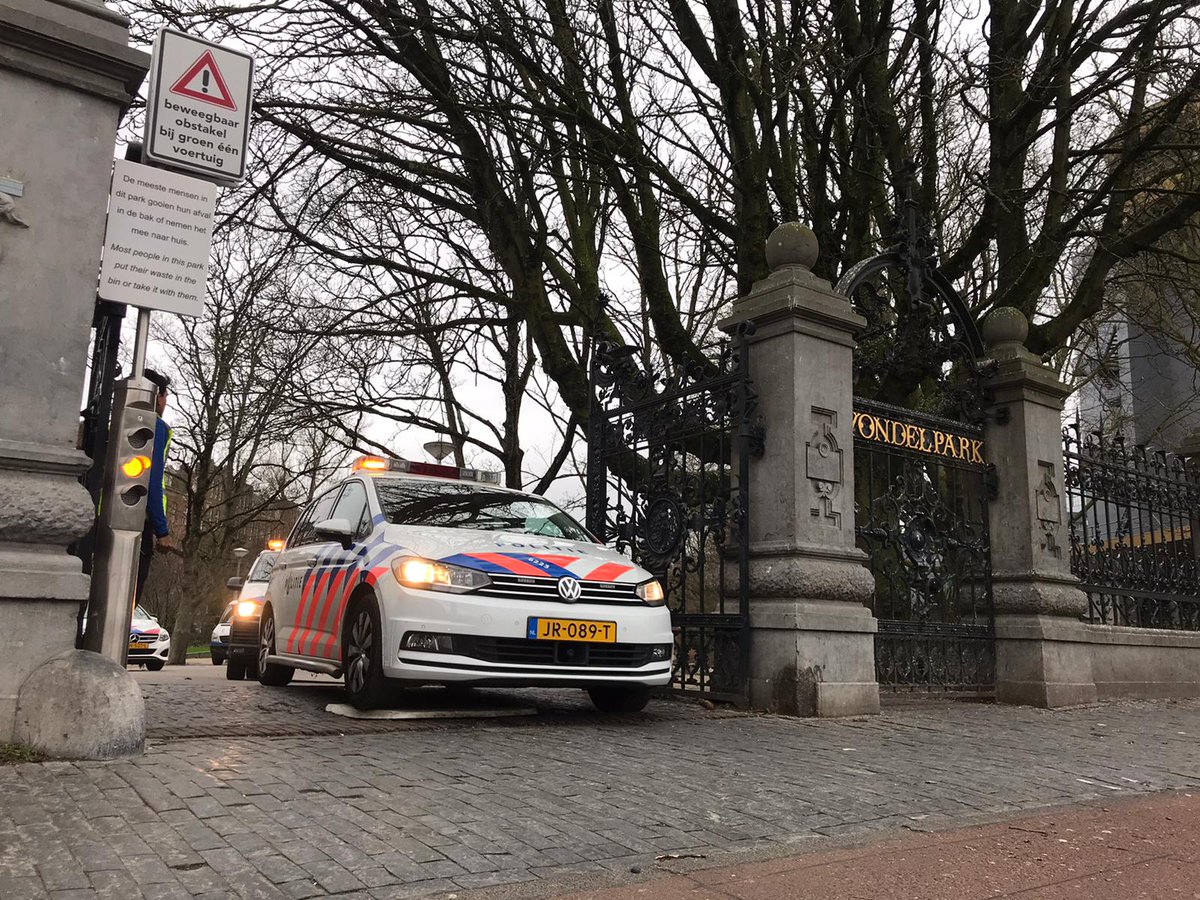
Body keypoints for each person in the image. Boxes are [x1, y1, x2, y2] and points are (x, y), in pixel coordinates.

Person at [137, 368, 175, 602]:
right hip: (137, 520)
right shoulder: (156, 426)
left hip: (102, 516)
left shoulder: (116, 418)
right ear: (156, 396)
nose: (165, 402)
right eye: (165, 396)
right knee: (131, 591)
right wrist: (162, 531)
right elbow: (151, 480)